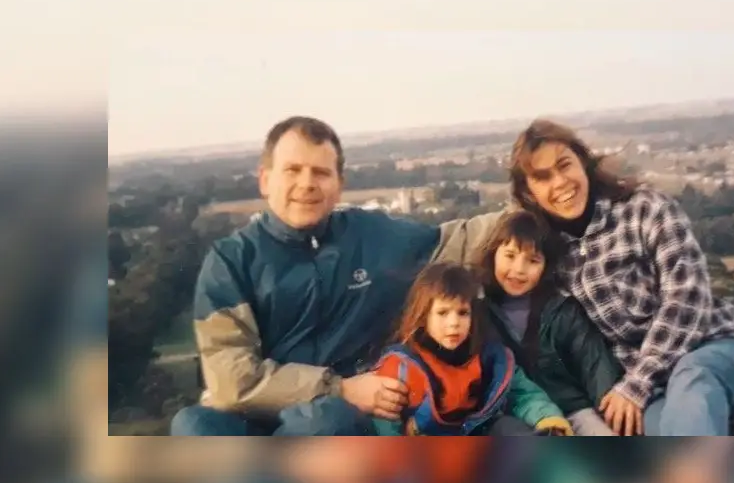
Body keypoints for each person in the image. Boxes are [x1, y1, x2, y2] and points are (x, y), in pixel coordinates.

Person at [170, 116, 501, 436]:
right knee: (194, 425)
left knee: (323, 421)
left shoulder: (372, 236)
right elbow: (232, 379)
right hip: (261, 417)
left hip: (338, 423)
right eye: (293, 170)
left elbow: (460, 239)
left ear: (339, 185)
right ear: (265, 180)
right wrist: (339, 388)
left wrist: (540, 207)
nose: (307, 184)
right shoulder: (232, 261)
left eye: (321, 172)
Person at [507, 118, 734, 436]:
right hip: (647, 391)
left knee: (692, 380)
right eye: (542, 177)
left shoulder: (646, 208)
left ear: (583, 163)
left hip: (708, 351)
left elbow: (686, 299)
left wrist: (638, 381)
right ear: (529, 192)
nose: (559, 183)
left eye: (564, 165)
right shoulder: (547, 253)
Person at [371, 262, 573, 436]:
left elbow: (523, 393)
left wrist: (549, 418)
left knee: (507, 426)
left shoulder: (489, 357)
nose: (454, 323)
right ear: (424, 316)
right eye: (442, 313)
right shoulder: (401, 367)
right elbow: (386, 423)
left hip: (479, 436)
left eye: (462, 313)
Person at [474, 210, 624, 436]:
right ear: (493, 254)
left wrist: (612, 410)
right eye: (510, 256)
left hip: (573, 409)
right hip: (513, 415)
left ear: (546, 266)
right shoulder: (478, 310)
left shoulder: (562, 309)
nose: (518, 270)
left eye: (532, 260)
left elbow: (594, 365)